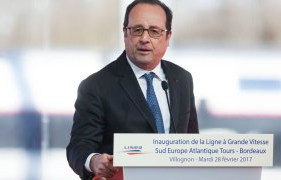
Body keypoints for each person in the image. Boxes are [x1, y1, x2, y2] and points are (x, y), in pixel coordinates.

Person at [66, 0, 199, 179]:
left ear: (168, 37)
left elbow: (192, 143)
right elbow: (78, 147)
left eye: (154, 31)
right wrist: (95, 161)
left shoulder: (182, 79)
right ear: (125, 34)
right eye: (137, 30)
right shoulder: (96, 86)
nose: (145, 38)